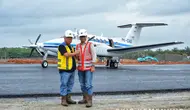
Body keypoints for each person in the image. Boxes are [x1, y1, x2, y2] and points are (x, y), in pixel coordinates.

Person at [57, 30, 80, 106]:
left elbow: (74, 56)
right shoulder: (62, 46)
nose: (70, 39)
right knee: (64, 84)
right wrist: (75, 53)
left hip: (72, 69)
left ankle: (68, 98)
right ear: (64, 38)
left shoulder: (71, 47)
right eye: (68, 38)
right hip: (65, 70)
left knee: (70, 84)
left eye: (71, 38)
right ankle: (63, 100)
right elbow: (66, 55)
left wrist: (77, 55)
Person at [76, 29, 97, 108]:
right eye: (81, 37)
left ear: (86, 37)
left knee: (88, 84)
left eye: (83, 36)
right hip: (80, 68)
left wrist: (93, 65)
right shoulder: (77, 46)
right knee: (82, 84)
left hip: (88, 68)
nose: (82, 38)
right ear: (79, 37)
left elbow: (94, 55)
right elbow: (77, 57)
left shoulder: (90, 45)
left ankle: (89, 101)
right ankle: (84, 98)